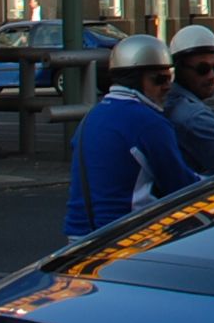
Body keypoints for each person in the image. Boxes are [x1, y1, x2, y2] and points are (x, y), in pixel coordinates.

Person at [61, 34, 199, 239]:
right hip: (125, 235)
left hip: (78, 235)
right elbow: (180, 185)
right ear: (134, 79)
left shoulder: (93, 116)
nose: (167, 86)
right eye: (159, 79)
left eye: (169, 77)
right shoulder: (148, 122)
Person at [160, 24, 214, 176]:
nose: (212, 76)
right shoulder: (194, 117)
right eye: (202, 69)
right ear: (179, 68)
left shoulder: (166, 100)